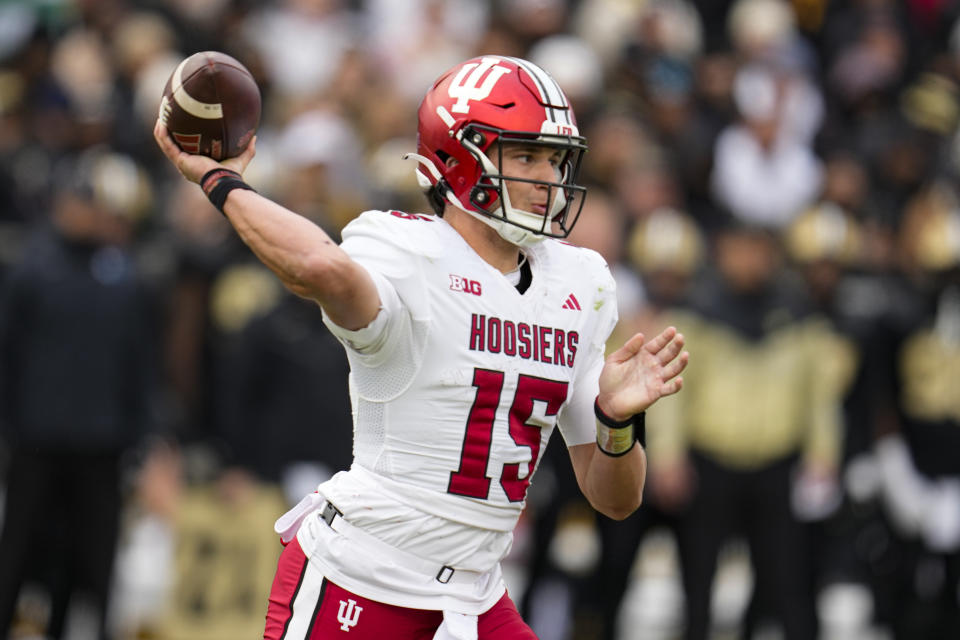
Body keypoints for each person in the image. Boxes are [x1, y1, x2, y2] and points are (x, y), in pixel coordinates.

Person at [154, 55, 688, 640]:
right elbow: (317, 266)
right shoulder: (408, 253)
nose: (550, 180)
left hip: (476, 596)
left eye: (556, 160)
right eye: (527, 156)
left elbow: (615, 499)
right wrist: (219, 179)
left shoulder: (578, 283)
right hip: (363, 577)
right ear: (461, 159)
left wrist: (616, 422)